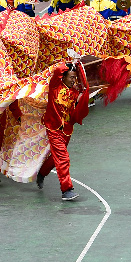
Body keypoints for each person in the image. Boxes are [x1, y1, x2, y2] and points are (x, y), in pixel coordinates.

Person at [36, 63, 92, 201]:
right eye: (71, 77)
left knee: (56, 159)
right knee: (63, 158)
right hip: (53, 128)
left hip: (66, 131)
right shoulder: (55, 86)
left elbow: (74, 112)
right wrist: (69, 64)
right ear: (64, 77)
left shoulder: (74, 93)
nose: (73, 80)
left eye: (75, 78)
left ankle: (42, 173)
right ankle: (67, 189)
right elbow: (57, 71)